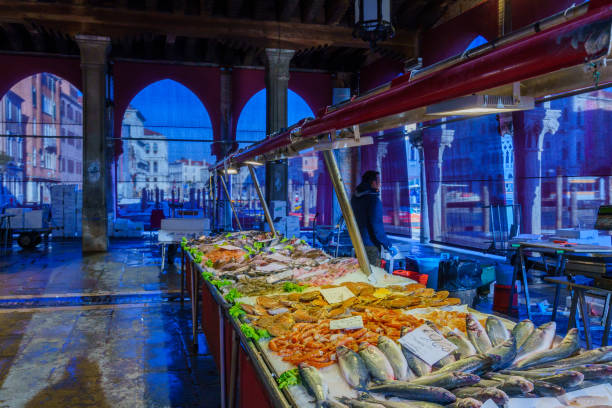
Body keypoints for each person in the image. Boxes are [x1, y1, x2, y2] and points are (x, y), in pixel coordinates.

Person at [350, 170, 398, 267]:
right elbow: (377, 227)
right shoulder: (373, 200)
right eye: (379, 181)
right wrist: (388, 245)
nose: (380, 184)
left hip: (357, 242)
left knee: (359, 275)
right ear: (373, 182)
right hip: (370, 246)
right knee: (372, 276)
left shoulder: (355, 198)